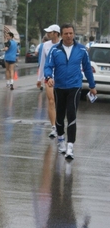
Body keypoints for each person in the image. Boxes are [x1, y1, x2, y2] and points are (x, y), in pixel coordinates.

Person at [44, 23, 96, 160]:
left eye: (71, 33)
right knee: (60, 116)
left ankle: (70, 146)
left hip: (75, 86)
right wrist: (48, 77)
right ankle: (61, 139)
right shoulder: (55, 50)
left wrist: (92, 85)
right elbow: (48, 66)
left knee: (72, 114)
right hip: (59, 87)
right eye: (66, 33)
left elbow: (87, 68)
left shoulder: (81, 49)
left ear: (74, 34)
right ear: (61, 35)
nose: (68, 36)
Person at [37, 24, 61, 138]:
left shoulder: (63, 45)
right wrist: (39, 79)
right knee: (51, 101)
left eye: (50, 32)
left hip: (61, 78)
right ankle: (54, 127)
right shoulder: (45, 45)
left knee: (60, 103)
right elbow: (43, 63)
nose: (48, 34)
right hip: (49, 77)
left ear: (56, 33)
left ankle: (59, 124)